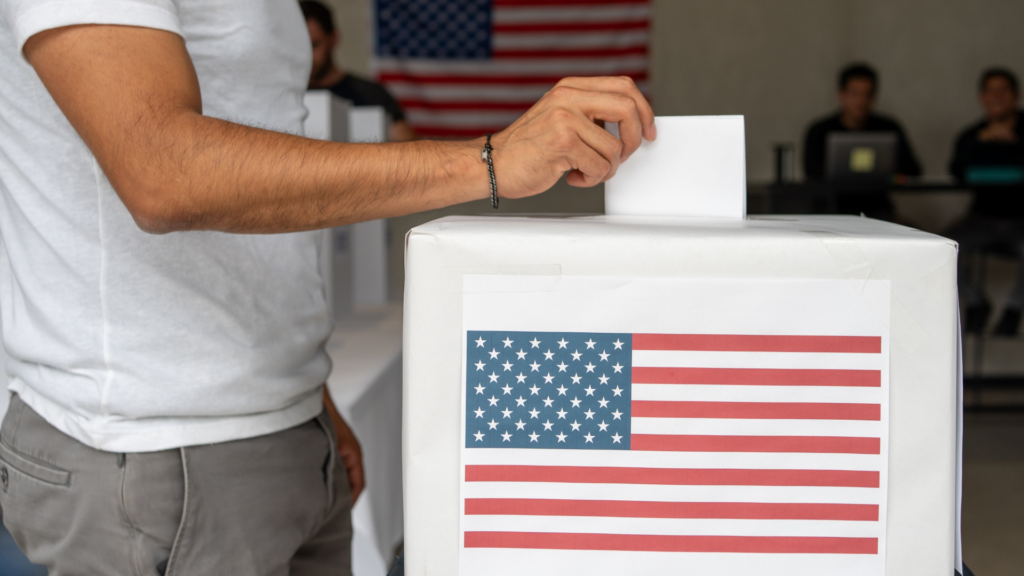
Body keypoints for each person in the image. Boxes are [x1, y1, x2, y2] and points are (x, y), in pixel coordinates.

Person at [0, 1, 655, 575]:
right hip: (160, 452)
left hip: (281, 423)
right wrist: (488, 160)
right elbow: (160, 173)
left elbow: (250, 188)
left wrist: (307, 388)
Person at [948, 68, 1024, 335]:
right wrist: (979, 145)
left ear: (1016, 95)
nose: (997, 96)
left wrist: (1014, 145)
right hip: (981, 219)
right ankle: (976, 302)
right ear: (982, 97)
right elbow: (955, 172)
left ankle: (1014, 310)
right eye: (991, 91)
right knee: (945, 248)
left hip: (1020, 221)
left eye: (1003, 90)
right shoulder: (972, 135)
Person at [803, 63, 922, 218]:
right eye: (855, 94)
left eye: (868, 94)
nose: (861, 101)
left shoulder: (888, 128)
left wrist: (888, 173)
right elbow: (812, 173)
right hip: (831, 210)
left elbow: (913, 170)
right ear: (842, 94)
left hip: (878, 210)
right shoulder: (820, 131)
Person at [301, 0, 417, 142]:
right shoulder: (287, 96)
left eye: (314, 45)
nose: (306, 55)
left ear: (333, 39)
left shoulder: (371, 94)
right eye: (299, 46)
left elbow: (407, 149)